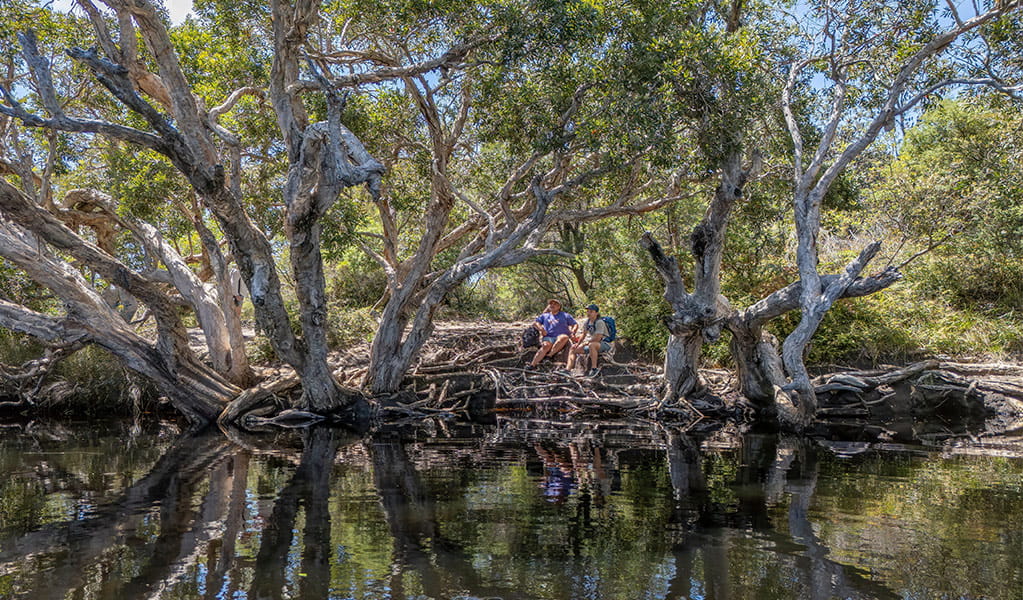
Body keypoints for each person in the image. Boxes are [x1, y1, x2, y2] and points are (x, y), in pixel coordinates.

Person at [527, 299, 577, 369]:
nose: (552, 305)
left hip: (561, 336)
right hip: (548, 337)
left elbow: (574, 324)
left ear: (559, 306)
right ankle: (532, 365)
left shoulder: (565, 315)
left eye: (555, 304)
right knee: (545, 346)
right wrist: (541, 329)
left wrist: (573, 332)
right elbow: (536, 323)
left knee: (564, 337)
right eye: (551, 304)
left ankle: (549, 356)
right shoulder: (544, 316)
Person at [565, 303, 611, 377]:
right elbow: (583, 334)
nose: (588, 313)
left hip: (605, 344)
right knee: (573, 348)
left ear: (596, 313)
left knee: (592, 345)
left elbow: (598, 338)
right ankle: (567, 370)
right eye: (588, 311)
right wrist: (578, 344)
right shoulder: (587, 322)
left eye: (591, 311)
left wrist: (585, 343)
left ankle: (594, 369)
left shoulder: (600, 322)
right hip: (594, 344)